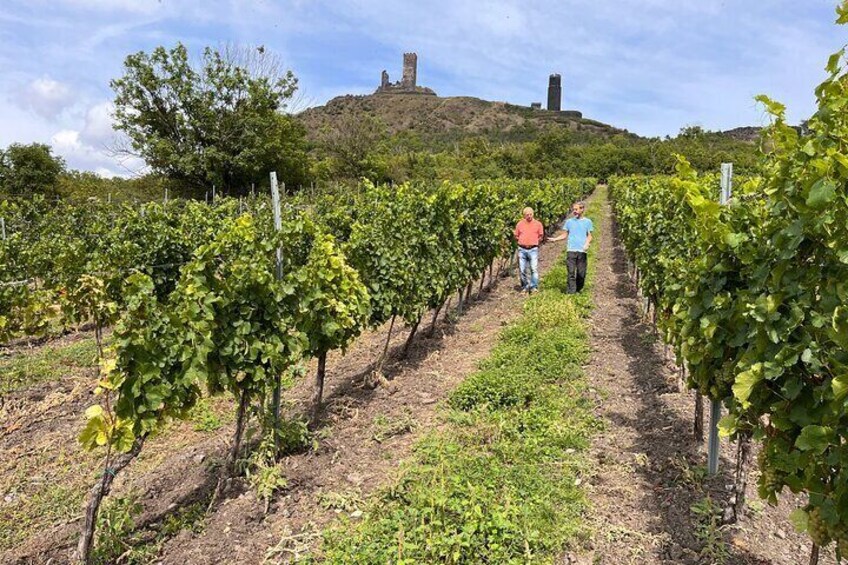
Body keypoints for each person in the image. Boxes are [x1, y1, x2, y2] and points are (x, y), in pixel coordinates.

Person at [549, 201, 593, 294]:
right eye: (574, 210)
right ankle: (571, 292)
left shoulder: (588, 222)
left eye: (576, 209)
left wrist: (587, 243)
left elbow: (590, 236)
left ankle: (578, 289)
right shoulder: (569, 222)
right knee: (571, 272)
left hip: (582, 251)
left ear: (582, 209)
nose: (574, 211)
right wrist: (555, 239)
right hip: (571, 250)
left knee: (581, 274)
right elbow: (565, 234)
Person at [513, 207, 544, 293]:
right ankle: (525, 286)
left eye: (531, 214)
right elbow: (516, 235)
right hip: (522, 249)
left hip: (533, 249)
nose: (529, 216)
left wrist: (534, 241)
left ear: (533, 214)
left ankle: (534, 287)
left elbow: (541, 236)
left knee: (534, 268)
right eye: (527, 215)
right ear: (524, 215)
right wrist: (522, 241)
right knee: (522, 269)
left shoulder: (538, 224)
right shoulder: (519, 224)